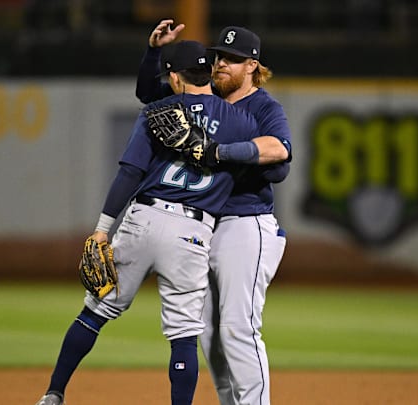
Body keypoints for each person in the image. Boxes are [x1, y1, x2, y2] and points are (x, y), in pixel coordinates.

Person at [35, 40, 263, 405]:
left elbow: (129, 173)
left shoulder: (158, 111)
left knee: (96, 310)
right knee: (185, 335)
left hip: (143, 218)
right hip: (193, 232)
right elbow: (273, 165)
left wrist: (101, 229)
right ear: (208, 73)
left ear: (174, 76)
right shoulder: (243, 120)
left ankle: (54, 393)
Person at [136, 20, 292, 405]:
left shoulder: (263, 107)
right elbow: (147, 93)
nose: (222, 64)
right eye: (219, 56)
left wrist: (221, 152)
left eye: (233, 59)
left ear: (253, 66)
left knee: (238, 326)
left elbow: (280, 155)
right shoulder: (204, 99)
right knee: (207, 331)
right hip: (202, 227)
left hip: (246, 223)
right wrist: (155, 52)